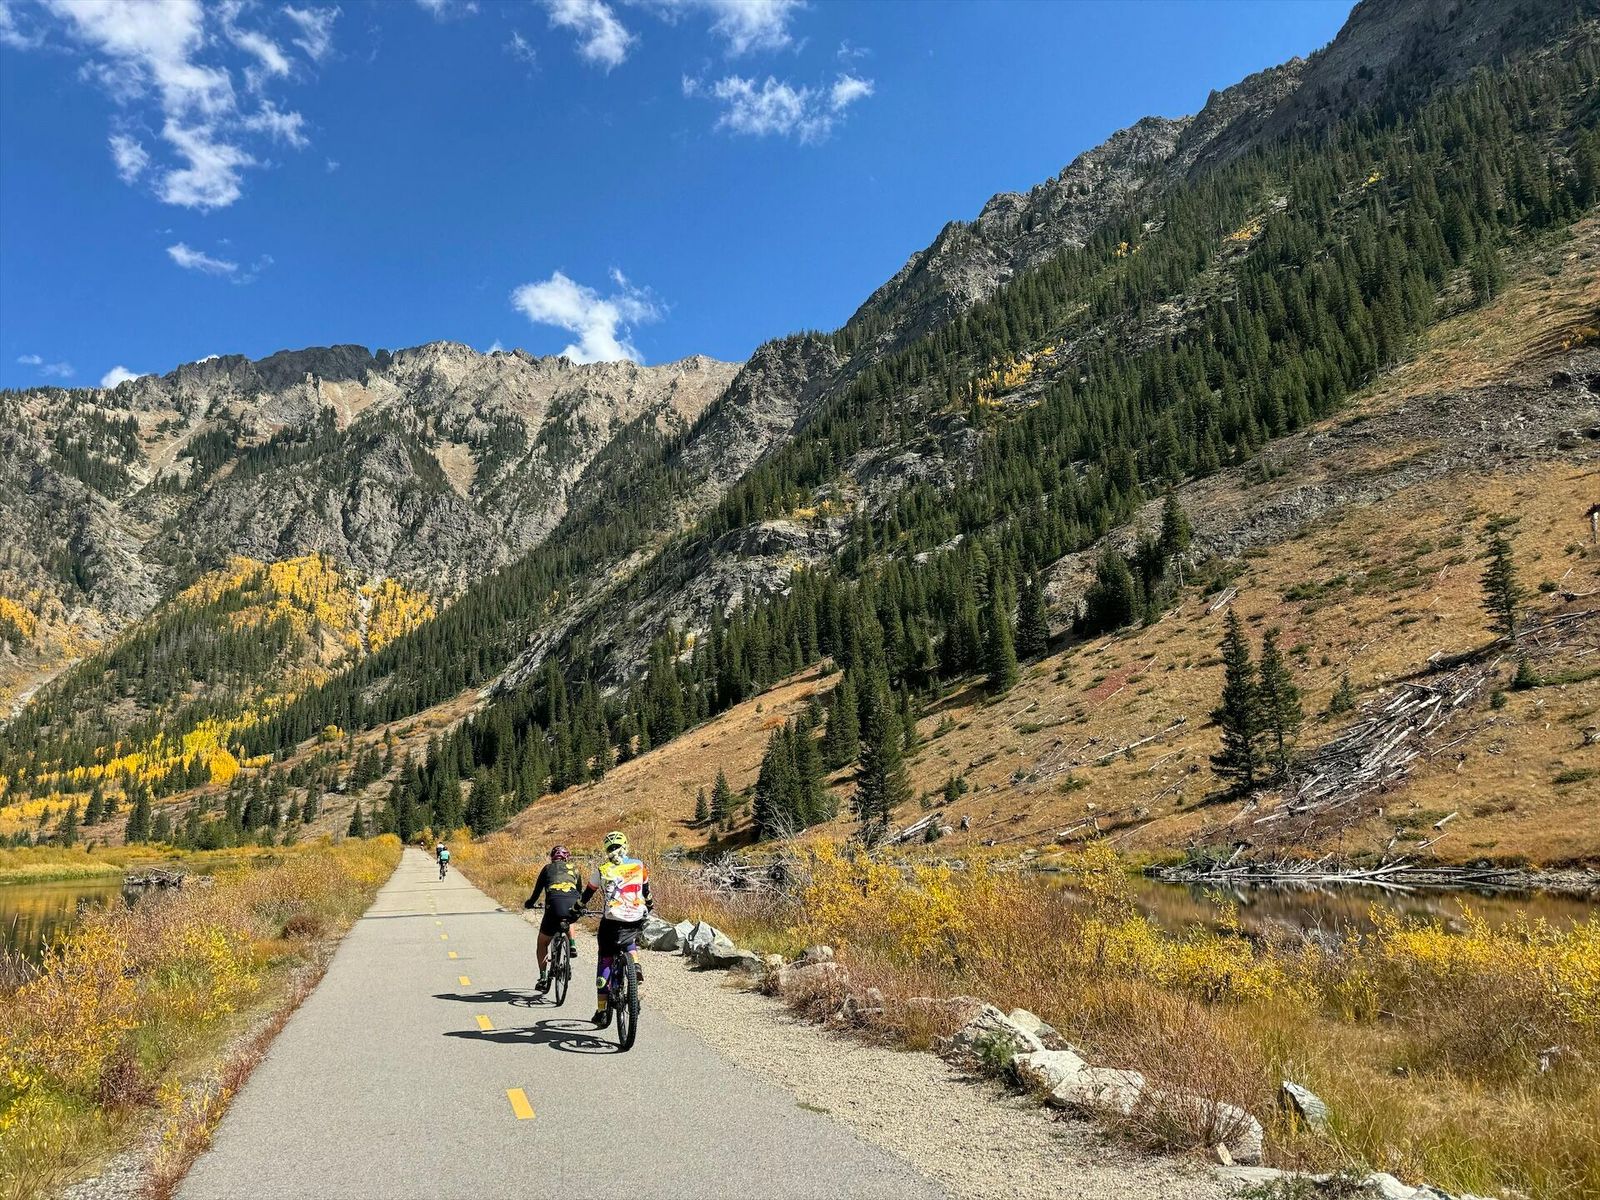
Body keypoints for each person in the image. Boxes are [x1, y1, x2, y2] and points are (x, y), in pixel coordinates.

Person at [579, 830, 651, 1028]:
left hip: (612, 920)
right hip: (635, 917)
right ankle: (635, 965)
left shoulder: (603, 870)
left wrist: (578, 907)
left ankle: (602, 1011)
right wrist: (649, 906)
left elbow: (587, 894)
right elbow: (647, 892)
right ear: (625, 846)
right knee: (629, 939)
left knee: (605, 958)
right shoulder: (639, 865)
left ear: (607, 850)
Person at [523, 845, 583, 994]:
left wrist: (529, 903)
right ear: (567, 858)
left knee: (542, 943)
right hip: (572, 904)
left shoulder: (547, 869)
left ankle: (543, 977)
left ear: (552, 857)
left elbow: (537, 892)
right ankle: (572, 944)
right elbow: (579, 892)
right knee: (569, 918)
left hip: (553, 907)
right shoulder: (575, 869)